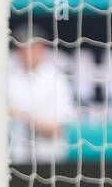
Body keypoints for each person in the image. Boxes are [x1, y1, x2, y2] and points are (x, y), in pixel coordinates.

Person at [8, 25, 77, 165]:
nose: (26, 52)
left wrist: (23, 116)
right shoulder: (9, 78)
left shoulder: (56, 78)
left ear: (42, 47)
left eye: (31, 47)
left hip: (51, 160)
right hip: (16, 159)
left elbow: (57, 127)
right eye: (21, 47)